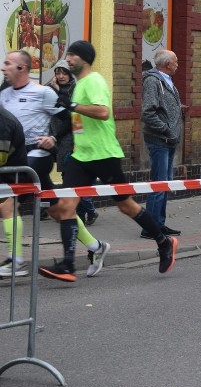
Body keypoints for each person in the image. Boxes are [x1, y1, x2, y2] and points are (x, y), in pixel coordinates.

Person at [38, 41, 177, 282]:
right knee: (65, 208)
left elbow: (102, 112)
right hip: (81, 157)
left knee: (126, 206)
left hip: (104, 155)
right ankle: (68, 264)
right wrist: (54, 136)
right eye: (68, 55)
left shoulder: (95, 81)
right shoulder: (79, 85)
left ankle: (164, 242)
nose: (68, 59)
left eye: (72, 55)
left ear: (84, 59)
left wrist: (71, 104)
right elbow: (76, 122)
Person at [0, 49, 111, 280]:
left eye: (8, 63)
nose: (3, 68)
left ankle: (16, 260)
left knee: (7, 205)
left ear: (22, 67)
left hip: (35, 158)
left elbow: (73, 118)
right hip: (14, 158)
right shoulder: (4, 93)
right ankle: (95, 246)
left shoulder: (43, 93)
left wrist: (55, 139)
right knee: (58, 209)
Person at [140, 49, 183, 239]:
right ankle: (150, 228)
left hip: (169, 140)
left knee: (164, 183)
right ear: (166, 64)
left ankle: (159, 223)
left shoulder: (166, 80)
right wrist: (166, 129)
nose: (177, 64)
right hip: (160, 140)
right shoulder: (152, 81)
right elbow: (148, 113)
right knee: (158, 185)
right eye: (175, 61)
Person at [48, 60, 97, 225]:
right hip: (55, 137)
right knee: (66, 175)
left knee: (72, 176)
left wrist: (78, 140)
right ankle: (79, 211)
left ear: (70, 74)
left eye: (64, 72)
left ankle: (84, 211)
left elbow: (74, 117)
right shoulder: (50, 89)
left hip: (72, 137)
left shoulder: (76, 90)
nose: (60, 76)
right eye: (58, 72)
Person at [0, 105, 28, 278]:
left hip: (14, 176)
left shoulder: (4, 121)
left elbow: (1, 157)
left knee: (7, 209)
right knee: (59, 209)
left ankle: (16, 261)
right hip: (7, 173)